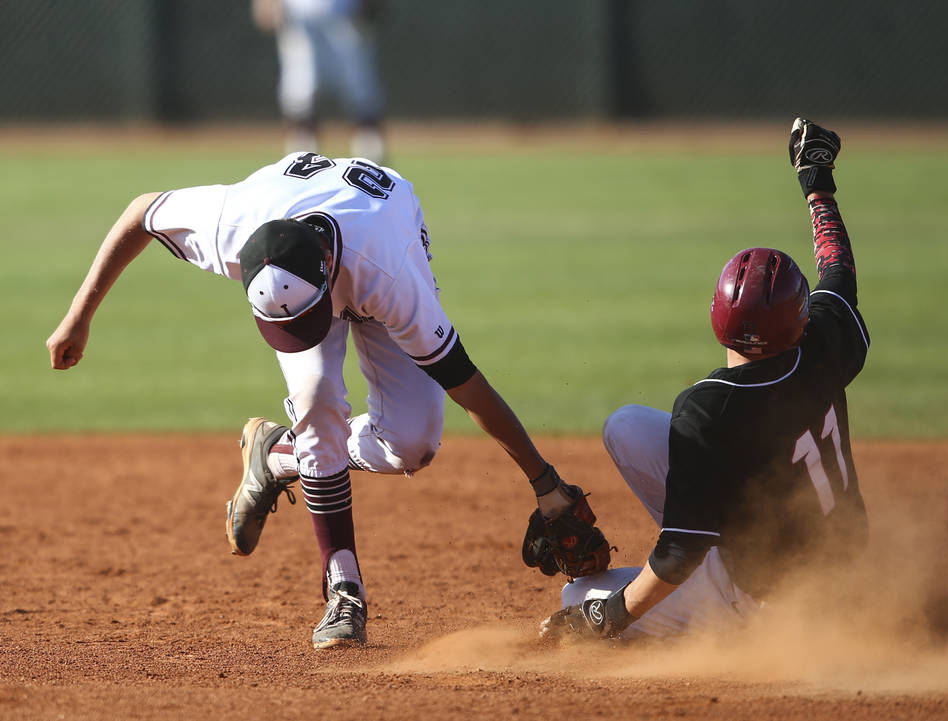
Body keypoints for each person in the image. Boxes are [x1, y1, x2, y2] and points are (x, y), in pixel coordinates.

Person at [47, 151, 609, 649]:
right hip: (306, 230)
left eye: (309, 319)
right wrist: (79, 315)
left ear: (326, 273)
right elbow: (141, 211)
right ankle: (344, 591)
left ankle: (276, 456)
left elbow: (464, 382)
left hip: (381, 230)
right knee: (316, 401)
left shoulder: (389, 276)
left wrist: (543, 481)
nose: (305, 333)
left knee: (412, 446)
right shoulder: (231, 228)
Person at [540, 118, 870, 642]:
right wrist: (816, 182)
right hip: (854, 575)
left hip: (780, 610)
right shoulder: (826, 344)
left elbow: (678, 554)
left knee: (575, 598)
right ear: (798, 319)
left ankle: (724, 625)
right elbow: (839, 271)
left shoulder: (711, 408)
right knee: (625, 426)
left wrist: (607, 617)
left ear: (717, 316)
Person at [252, 0, 387, 162]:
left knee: (361, 96)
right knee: (300, 98)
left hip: (347, 19)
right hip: (298, 21)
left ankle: (371, 168)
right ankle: (302, 168)